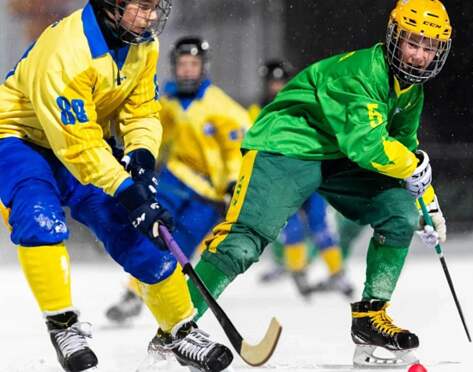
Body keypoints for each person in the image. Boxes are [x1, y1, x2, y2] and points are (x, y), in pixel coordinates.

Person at [188, 0, 452, 366]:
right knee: (243, 245)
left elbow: (406, 152)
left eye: (429, 48)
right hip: (287, 146)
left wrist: (428, 205)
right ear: (394, 37)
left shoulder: (411, 91)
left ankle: (370, 317)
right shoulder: (361, 73)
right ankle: (177, 328)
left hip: (338, 156)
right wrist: (412, 166)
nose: (420, 56)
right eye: (413, 43)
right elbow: (368, 146)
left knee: (400, 211)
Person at [0, 2, 232, 372]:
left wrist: (141, 157)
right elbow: (76, 144)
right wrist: (127, 191)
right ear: (113, 4)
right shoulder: (67, 50)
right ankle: (62, 325)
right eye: (143, 6)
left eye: (156, 6)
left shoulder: (142, 43)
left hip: (86, 142)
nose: (152, 16)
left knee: (139, 233)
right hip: (21, 139)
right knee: (39, 217)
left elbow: (141, 109)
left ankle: (180, 329)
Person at [105, 36, 250, 324]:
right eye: (182, 64)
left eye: (193, 64)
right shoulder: (166, 101)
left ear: (203, 67)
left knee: (181, 244)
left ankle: (166, 301)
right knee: (154, 232)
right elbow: (151, 133)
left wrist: (233, 182)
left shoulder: (223, 107)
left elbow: (235, 151)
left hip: (208, 194)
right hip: (173, 179)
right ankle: (133, 294)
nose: (186, 70)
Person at [250, 60, 355, 299]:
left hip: (310, 174)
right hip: (283, 180)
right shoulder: (258, 111)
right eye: (273, 82)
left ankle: (337, 273)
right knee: (292, 226)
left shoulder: (304, 104)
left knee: (320, 223)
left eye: (281, 82)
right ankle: (298, 272)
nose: (277, 87)